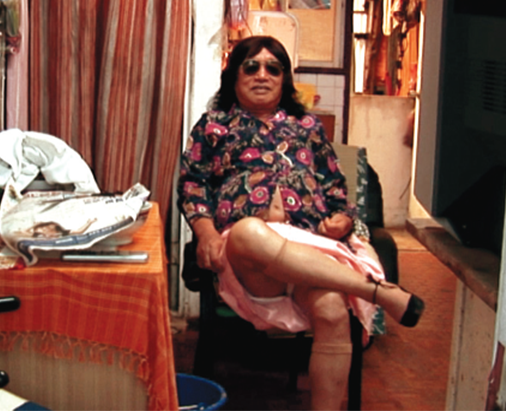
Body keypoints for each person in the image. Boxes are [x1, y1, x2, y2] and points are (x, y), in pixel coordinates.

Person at [177, 36, 425, 411]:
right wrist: (206, 232)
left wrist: (341, 219)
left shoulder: (307, 126)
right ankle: (376, 290)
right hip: (250, 259)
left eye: (273, 68)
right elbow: (192, 184)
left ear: (285, 79)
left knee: (331, 311)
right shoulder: (214, 125)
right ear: (234, 76)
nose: (262, 75)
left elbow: (336, 188)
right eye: (251, 66)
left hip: (309, 250)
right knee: (248, 232)